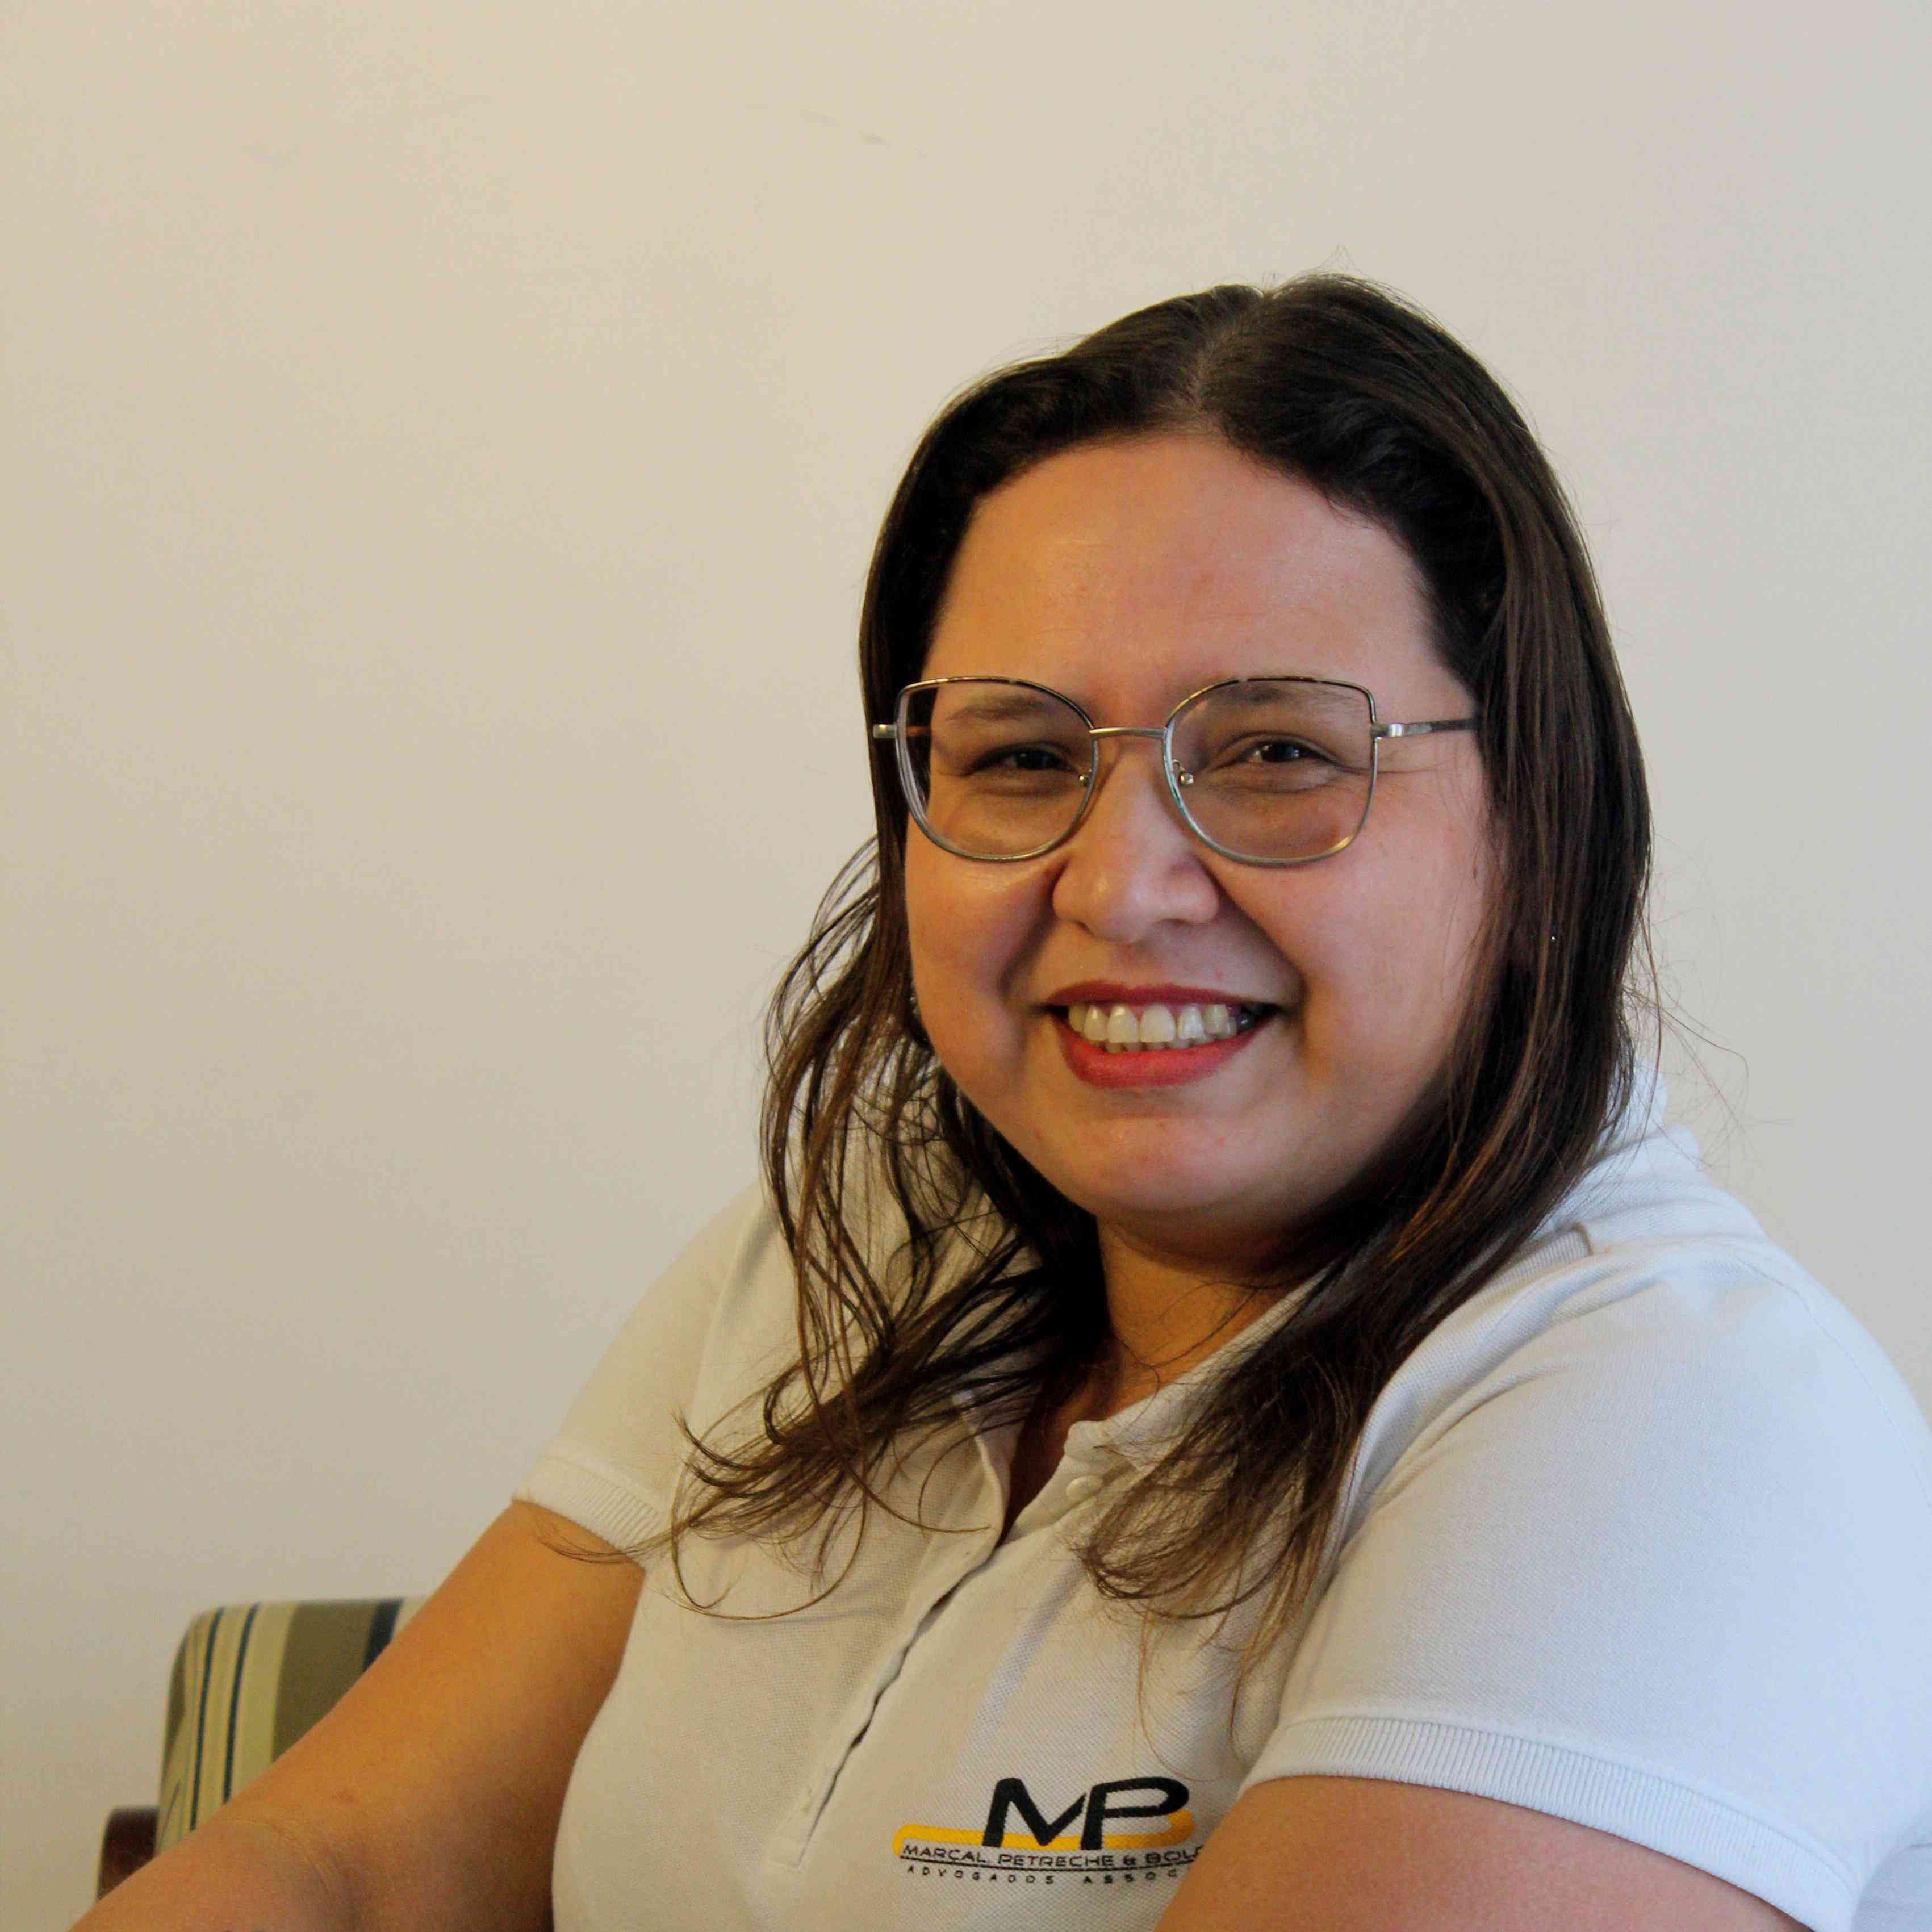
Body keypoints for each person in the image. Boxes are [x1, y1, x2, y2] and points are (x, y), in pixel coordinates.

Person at [78, 276, 1932, 1932]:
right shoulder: (863, 1239)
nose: (1120, 884)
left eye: (1273, 751)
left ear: (1534, 823)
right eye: (1024, 754)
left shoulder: (1689, 1432)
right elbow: (351, 1861)